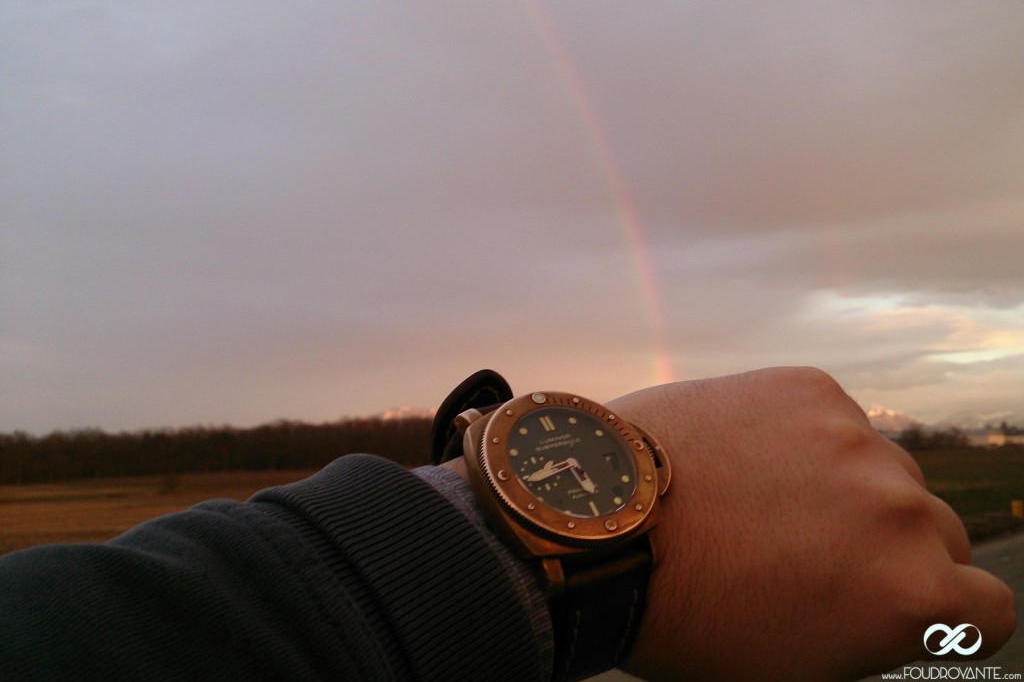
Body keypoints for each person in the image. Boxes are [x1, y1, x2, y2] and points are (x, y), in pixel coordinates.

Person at [0, 367, 1015, 680]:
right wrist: (494, 556)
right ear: (488, 442)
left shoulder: (562, 451)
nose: (570, 460)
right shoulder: (522, 458)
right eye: (551, 454)